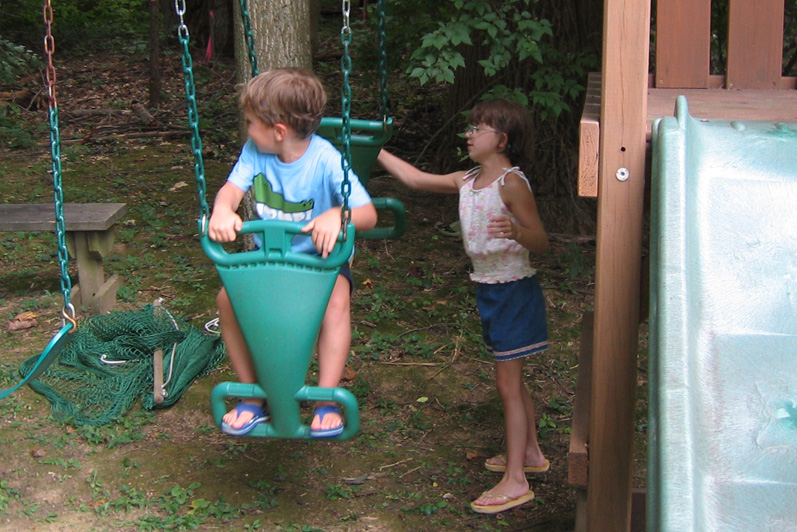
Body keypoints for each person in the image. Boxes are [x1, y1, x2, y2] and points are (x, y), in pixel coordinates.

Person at [377, 98, 550, 514]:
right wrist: (373, 149)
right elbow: (415, 179)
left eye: (478, 129)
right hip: (489, 289)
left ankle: (516, 479)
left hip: (513, 291)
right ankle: (530, 452)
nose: (468, 134)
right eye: (469, 127)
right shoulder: (466, 179)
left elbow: (542, 241)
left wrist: (517, 231)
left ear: (502, 140)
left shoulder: (511, 183)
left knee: (508, 385)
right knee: (513, 380)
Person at [209, 68, 377, 438]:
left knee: (336, 300)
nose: (246, 130)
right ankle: (253, 394)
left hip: (320, 263)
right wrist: (222, 210)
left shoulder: (326, 159)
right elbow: (231, 190)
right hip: (270, 259)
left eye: (250, 123)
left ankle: (326, 398)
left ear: (279, 131)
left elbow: (367, 214)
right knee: (227, 299)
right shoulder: (255, 151)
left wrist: (337, 215)